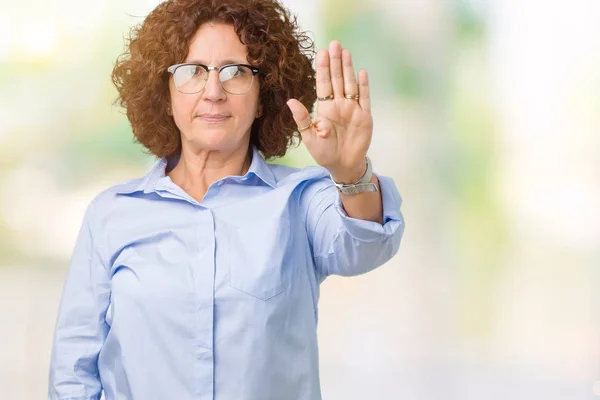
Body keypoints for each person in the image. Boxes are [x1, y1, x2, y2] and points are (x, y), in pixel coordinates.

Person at [48, 0, 405, 399]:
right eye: (192, 72)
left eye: (236, 72)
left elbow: (365, 247)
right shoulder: (111, 215)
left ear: (263, 94)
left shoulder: (300, 202)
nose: (213, 91)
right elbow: (73, 376)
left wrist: (350, 171)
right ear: (166, 94)